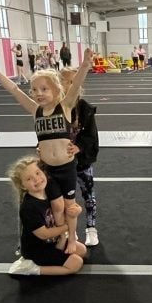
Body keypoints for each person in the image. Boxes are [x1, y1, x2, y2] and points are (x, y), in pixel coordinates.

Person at [0, 49, 93, 252]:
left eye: (44, 89)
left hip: (66, 167)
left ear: (55, 89)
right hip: (48, 170)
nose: (38, 94)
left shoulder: (66, 106)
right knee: (56, 206)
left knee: (70, 206)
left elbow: (76, 84)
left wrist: (86, 64)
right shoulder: (36, 111)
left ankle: (72, 238)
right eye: (34, 90)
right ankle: (62, 236)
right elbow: (15, 90)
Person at [7, 156, 88, 276]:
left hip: (52, 241)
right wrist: (66, 227)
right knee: (76, 263)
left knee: (82, 250)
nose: (37, 179)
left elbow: (68, 208)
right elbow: (43, 234)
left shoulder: (48, 191)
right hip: (38, 249)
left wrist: (78, 209)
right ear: (23, 186)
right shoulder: (29, 208)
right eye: (29, 179)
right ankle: (32, 268)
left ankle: (53, 257)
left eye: (37, 173)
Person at [60, 67, 100, 246]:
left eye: (70, 81)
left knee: (88, 195)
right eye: (61, 81)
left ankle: (91, 228)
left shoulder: (84, 108)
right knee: (63, 200)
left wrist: (79, 147)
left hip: (82, 162)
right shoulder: (54, 108)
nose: (66, 85)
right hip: (61, 164)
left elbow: (92, 136)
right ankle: (70, 231)